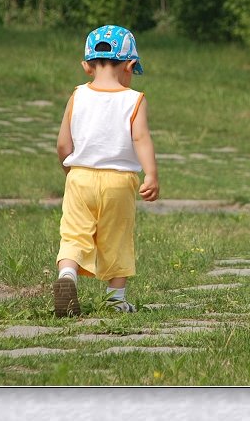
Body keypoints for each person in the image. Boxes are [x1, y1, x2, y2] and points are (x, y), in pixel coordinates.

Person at [53, 24, 160, 316]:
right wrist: (150, 174)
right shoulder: (133, 99)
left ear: (86, 66)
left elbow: (63, 144)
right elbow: (140, 138)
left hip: (80, 177)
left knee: (74, 235)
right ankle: (115, 299)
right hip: (119, 181)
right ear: (130, 64)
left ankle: (67, 277)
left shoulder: (78, 95)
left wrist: (71, 173)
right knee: (118, 237)